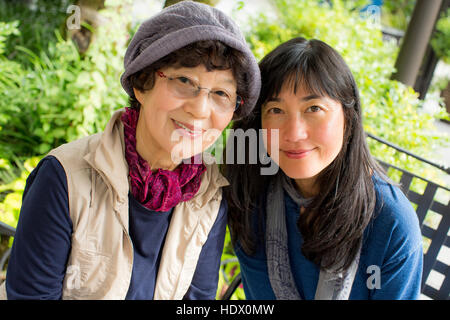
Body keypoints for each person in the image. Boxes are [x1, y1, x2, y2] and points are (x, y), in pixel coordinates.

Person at [0, 1, 260, 300]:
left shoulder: (210, 194)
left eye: (221, 94)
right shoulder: (64, 178)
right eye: (185, 80)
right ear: (142, 83)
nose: (201, 109)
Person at [222, 37, 423, 300]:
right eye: (276, 109)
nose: (294, 133)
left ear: (348, 118)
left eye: (313, 108)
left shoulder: (390, 223)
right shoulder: (251, 192)